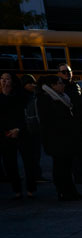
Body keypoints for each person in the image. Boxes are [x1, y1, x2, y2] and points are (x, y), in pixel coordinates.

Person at [36, 75, 82, 200]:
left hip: (65, 138)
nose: (63, 85)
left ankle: (71, 191)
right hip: (56, 139)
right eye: (59, 83)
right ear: (52, 86)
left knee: (67, 166)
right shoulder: (46, 99)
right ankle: (63, 191)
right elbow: (49, 122)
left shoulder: (62, 97)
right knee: (60, 167)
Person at [57, 63, 82, 185]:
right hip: (70, 124)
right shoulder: (61, 87)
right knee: (74, 153)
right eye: (64, 72)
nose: (67, 74)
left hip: (79, 122)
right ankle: (78, 176)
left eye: (69, 71)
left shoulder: (75, 85)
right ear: (59, 74)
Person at [1, 71, 27, 199]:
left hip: (20, 132)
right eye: (2, 79)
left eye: (7, 79)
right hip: (5, 134)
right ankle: (16, 189)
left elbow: (23, 115)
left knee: (27, 161)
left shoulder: (19, 96)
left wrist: (18, 129)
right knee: (9, 164)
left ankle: (30, 188)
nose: (4, 82)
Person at [19, 75, 42, 191]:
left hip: (32, 129)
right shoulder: (25, 97)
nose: (33, 85)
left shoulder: (32, 95)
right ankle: (35, 176)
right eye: (30, 84)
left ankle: (35, 175)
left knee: (35, 155)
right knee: (32, 155)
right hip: (29, 130)